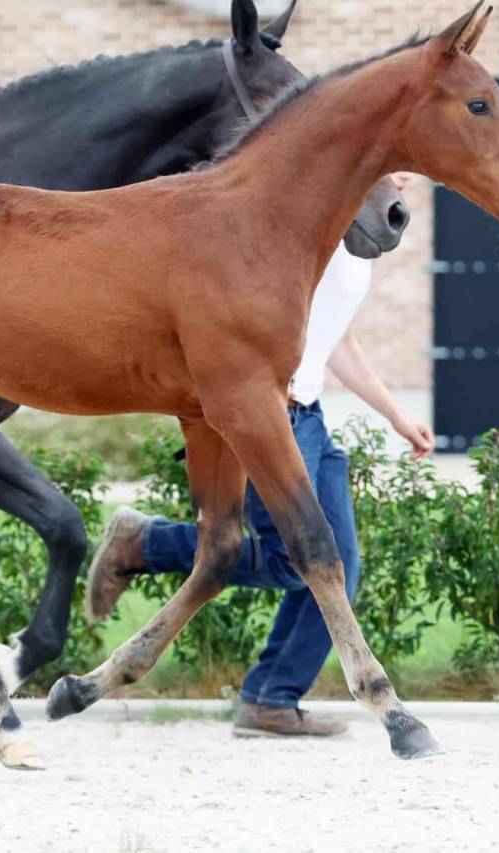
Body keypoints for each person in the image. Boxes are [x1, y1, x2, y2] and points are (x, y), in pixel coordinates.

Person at [87, 173, 433, 738]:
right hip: (273, 413)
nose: (401, 177)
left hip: (312, 417)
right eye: (390, 163)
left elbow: (337, 338)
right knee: (291, 562)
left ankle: (271, 698)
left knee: (337, 567)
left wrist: (395, 414)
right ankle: (144, 545)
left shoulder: (360, 237)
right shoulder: (310, 227)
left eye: (405, 171)